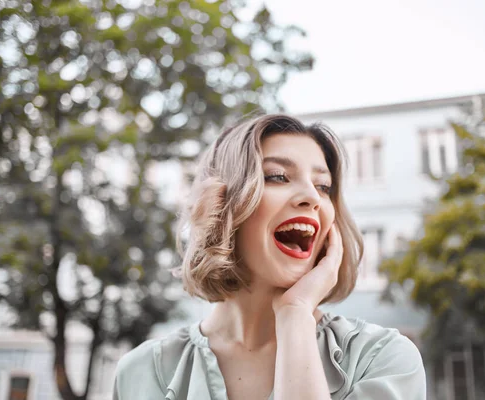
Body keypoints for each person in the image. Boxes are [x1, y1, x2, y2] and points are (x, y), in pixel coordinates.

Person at [113, 114, 426, 399]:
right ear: (223, 206)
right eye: (277, 176)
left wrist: (295, 315)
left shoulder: (383, 359)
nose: (312, 197)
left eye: (324, 185)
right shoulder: (142, 374)